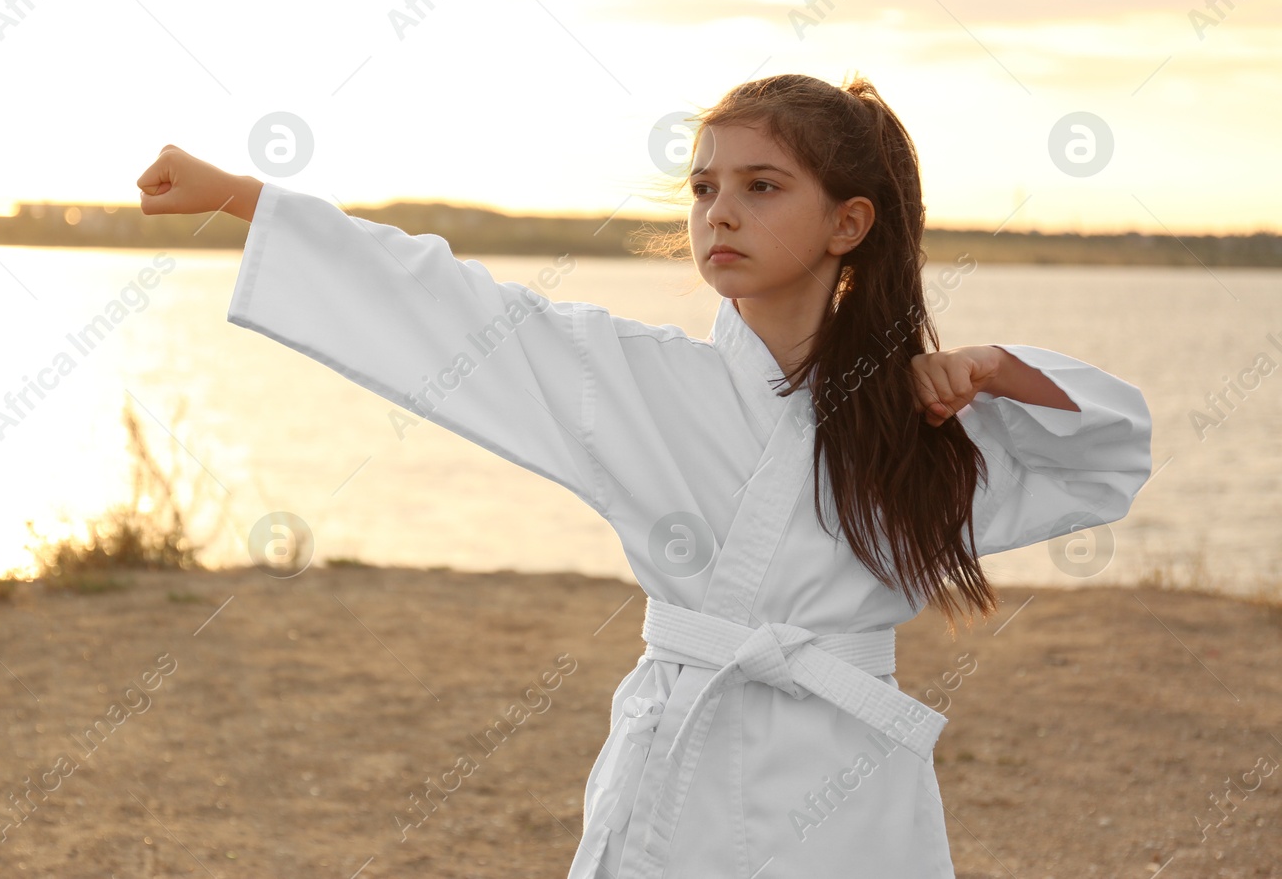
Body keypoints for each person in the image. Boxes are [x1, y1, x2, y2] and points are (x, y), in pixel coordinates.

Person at [135, 72, 1154, 878]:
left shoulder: (919, 417)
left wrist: (995, 372)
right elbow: (462, 311)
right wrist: (242, 197)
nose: (721, 212)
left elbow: (1108, 450)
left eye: (762, 187)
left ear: (847, 223)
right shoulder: (639, 381)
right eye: (705, 187)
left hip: (848, 785)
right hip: (686, 752)